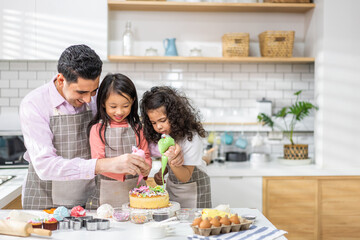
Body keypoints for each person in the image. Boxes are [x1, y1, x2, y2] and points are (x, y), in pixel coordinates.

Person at [19, 45, 150, 210]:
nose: (89, 99)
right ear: (61, 80)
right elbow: (45, 166)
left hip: (90, 198)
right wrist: (103, 165)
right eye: (81, 92)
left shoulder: (97, 98)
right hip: (46, 200)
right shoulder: (34, 104)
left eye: (94, 91)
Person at [86, 73, 151, 208]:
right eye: (113, 106)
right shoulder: (97, 129)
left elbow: (146, 155)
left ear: (132, 101)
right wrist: (124, 171)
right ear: (103, 103)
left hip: (137, 190)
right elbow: (97, 163)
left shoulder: (138, 128)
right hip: (107, 192)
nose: (119, 112)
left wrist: (146, 168)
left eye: (125, 106)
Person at [140, 86, 212, 208]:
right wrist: (162, 173)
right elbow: (168, 163)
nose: (158, 127)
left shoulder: (191, 138)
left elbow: (185, 176)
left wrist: (172, 161)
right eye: (153, 122)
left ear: (174, 115)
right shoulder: (165, 136)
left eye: (162, 120)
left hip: (195, 191)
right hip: (174, 189)